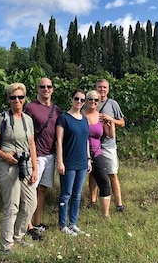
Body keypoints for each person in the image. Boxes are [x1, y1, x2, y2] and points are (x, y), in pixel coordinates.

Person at [0, 83, 38, 255]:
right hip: (7, 164)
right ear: (8, 99)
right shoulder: (2, 119)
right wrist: (4, 155)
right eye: (13, 97)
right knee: (12, 206)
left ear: (24, 99)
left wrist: (35, 169)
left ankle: (18, 235)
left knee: (31, 204)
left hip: (26, 165)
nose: (17, 100)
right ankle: (6, 246)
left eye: (20, 97)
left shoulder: (28, 119)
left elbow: (32, 145)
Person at [24, 78, 61, 241]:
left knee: (42, 189)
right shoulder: (30, 107)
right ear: (37, 89)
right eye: (42, 86)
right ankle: (28, 225)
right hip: (36, 154)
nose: (46, 89)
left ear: (52, 89)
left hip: (50, 154)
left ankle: (37, 222)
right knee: (31, 189)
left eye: (49, 87)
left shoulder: (57, 109)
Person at [56, 89, 92, 236]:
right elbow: (58, 141)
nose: (79, 102)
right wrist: (60, 161)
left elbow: (86, 141)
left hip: (82, 162)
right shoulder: (63, 118)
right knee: (66, 194)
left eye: (82, 100)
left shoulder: (84, 119)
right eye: (76, 99)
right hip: (69, 161)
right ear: (71, 99)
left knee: (77, 194)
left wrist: (89, 159)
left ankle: (73, 223)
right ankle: (63, 224)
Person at [87, 79, 125, 212]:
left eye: (104, 87)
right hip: (93, 146)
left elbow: (122, 123)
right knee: (92, 174)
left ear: (108, 89)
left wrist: (110, 119)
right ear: (95, 88)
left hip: (108, 145)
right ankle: (92, 200)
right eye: (99, 87)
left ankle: (119, 204)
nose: (102, 89)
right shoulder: (90, 103)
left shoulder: (113, 104)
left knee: (112, 174)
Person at [82, 90, 115, 218]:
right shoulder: (80, 115)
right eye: (90, 99)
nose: (93, 102)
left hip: (96, 153)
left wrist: (111, 121)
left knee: (104, 183)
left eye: (96, 100)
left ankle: (105, 215)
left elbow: (110, 135)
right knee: (76, 185)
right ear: (86, 101)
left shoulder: (101, 117)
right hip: (81, 154)